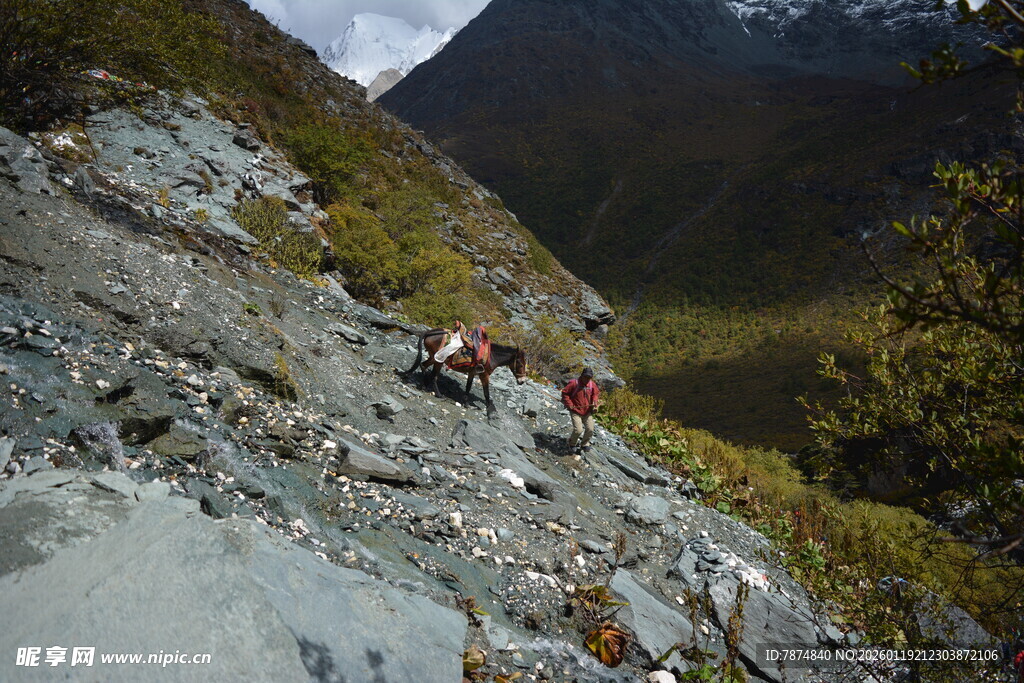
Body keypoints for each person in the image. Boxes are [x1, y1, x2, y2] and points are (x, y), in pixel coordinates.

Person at [561, 367, 600, 454]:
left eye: (589, 378)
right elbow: (565, 393)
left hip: (587, 411)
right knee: (578, 430)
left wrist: (594, 403)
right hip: (575, 411)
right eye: (585, 377)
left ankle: (585, 443)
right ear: (582, 376)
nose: (587, 379)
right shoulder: (574, 383)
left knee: (590, 429)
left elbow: (596, 394)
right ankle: (572, 444)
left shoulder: (592, 385)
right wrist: (570, 405)